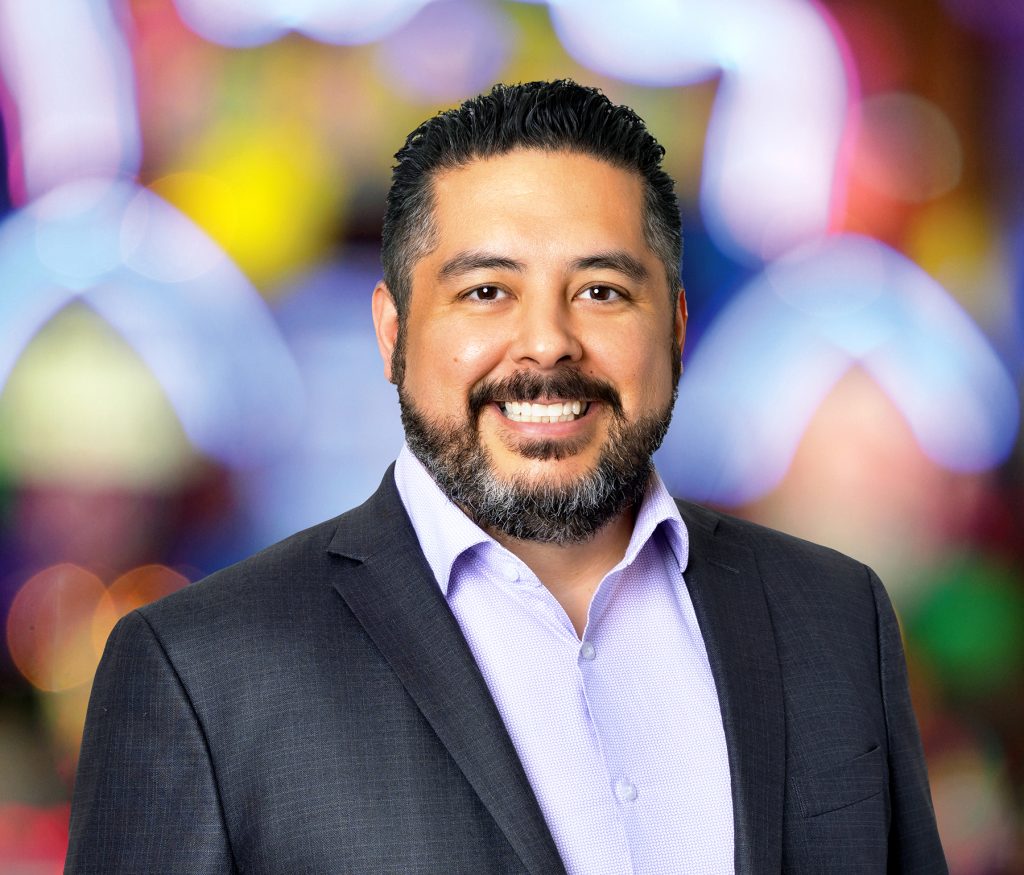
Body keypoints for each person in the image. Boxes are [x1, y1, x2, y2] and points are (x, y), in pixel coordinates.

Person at [66, 80, 947, 874]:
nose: (547, 343)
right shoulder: (199, 670)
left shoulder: (837, 618)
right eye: (486, 291)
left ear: (676, 328)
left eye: (601, 291)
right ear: (393, 333)